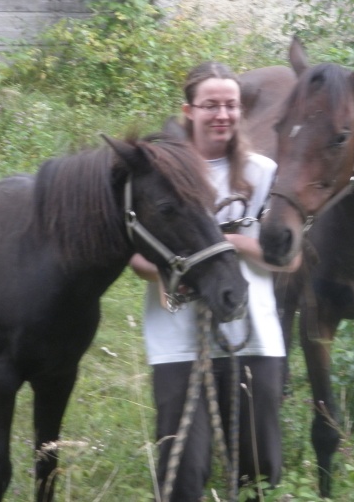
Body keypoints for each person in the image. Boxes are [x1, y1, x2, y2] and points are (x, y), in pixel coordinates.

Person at [130, 61, 300, 502]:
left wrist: (235, 244)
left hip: (254, 337)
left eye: (231, 105)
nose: (222, 114)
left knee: (259, 469)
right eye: (211, 105)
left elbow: (292, 260)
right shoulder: (162, 171)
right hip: (179, 340)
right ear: (189, 110)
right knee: (183, 470)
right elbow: (137, 258)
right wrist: (182, 266)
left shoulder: (264, 174)